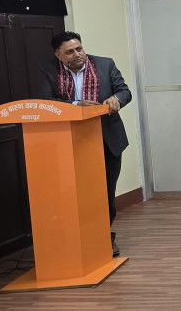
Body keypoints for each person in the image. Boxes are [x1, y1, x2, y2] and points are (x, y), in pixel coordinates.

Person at [38, 31, 131, 257]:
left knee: (105, 192)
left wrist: (115, 99)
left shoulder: (105, 65)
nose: (77, 54)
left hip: (106, 140)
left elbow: (124, 91)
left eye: (79, 48)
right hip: (68, 141)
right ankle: (74, 240)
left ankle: (104, 237)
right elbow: (46, 101)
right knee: (74, 193)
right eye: (69, 52)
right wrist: (75, 105)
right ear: (58, 55)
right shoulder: (48, 70)